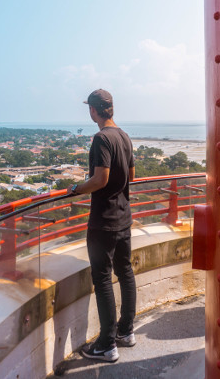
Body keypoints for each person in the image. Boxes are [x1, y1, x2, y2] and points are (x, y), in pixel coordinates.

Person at [67, 89, 136, 363]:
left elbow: (100, 179)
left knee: (103, 278)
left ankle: (107, 344)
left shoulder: (101, 139)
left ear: (93, 111)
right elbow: (131, 175)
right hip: (124, 217)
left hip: (103, 222)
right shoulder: (124, 136)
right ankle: (126, 331)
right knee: (126, 272)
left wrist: (76, 188)